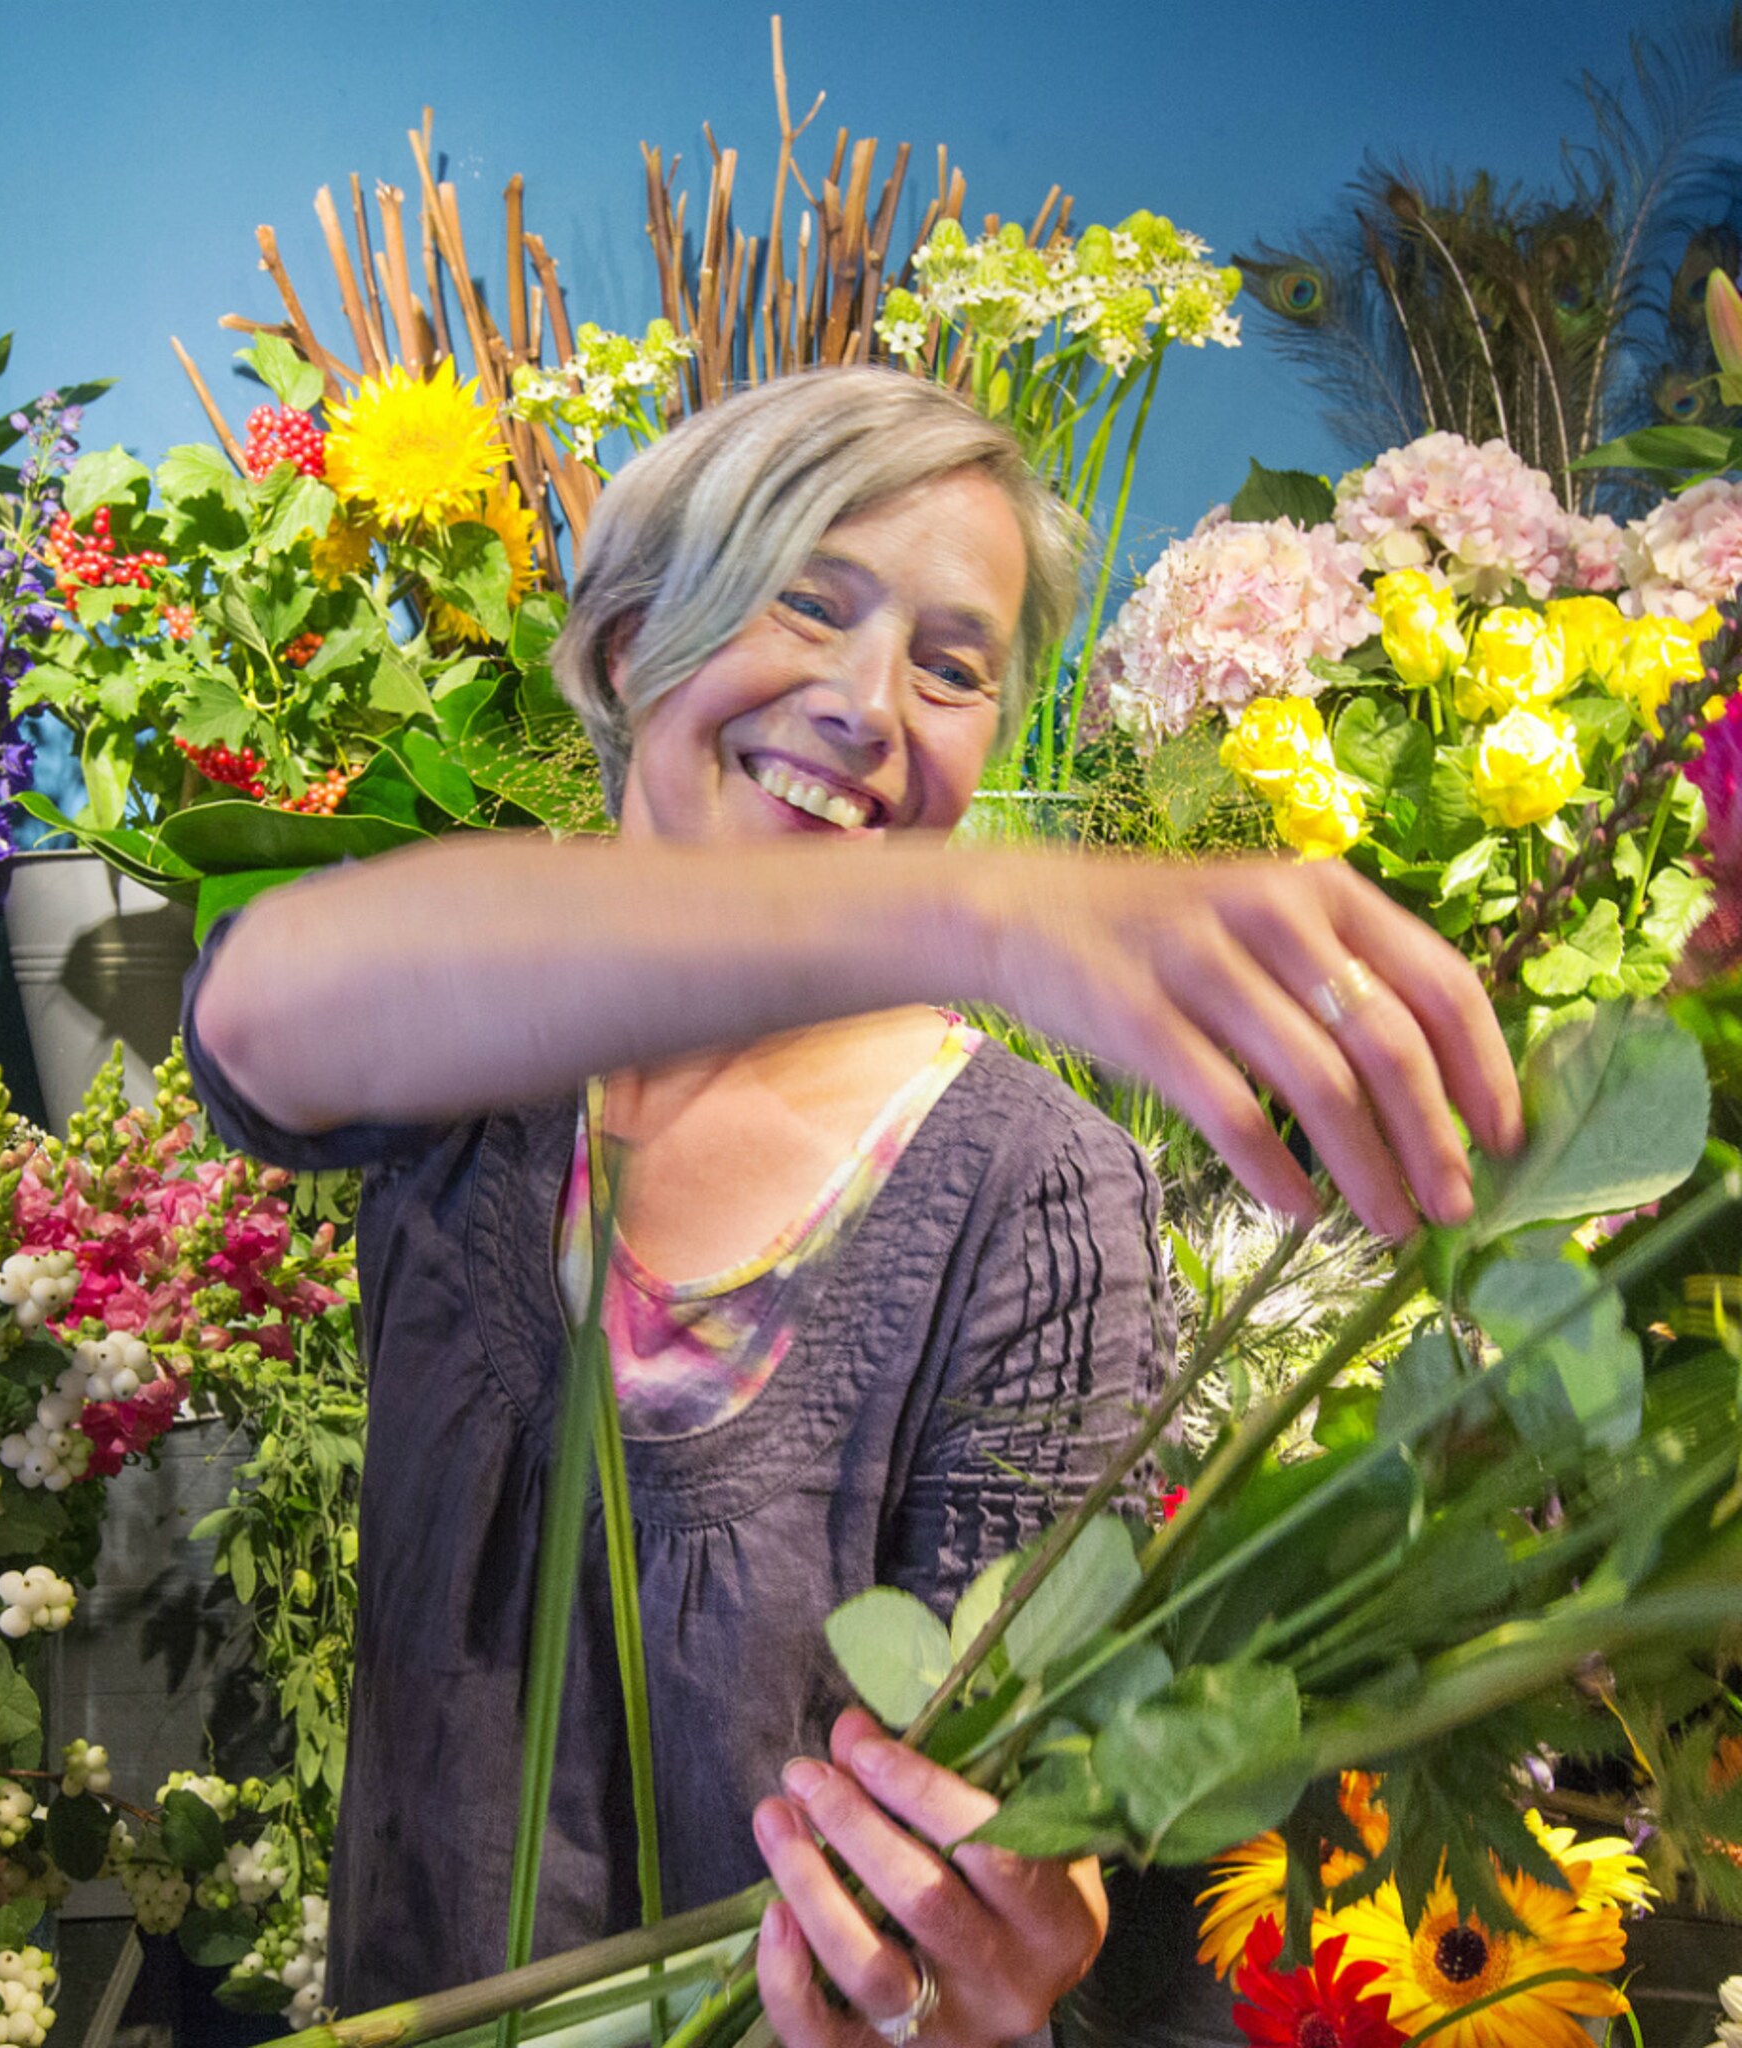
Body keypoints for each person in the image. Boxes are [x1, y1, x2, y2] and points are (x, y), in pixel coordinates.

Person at [183, 366, 1522, 2047]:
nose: (871, 703)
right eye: (805, 604)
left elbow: (1019, 1761)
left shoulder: (1027, 1189)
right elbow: (256, 1010)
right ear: (623, 646)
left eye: (953, 667)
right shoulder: (487, 1034)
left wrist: (1006, 1932)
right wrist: (975, 914)